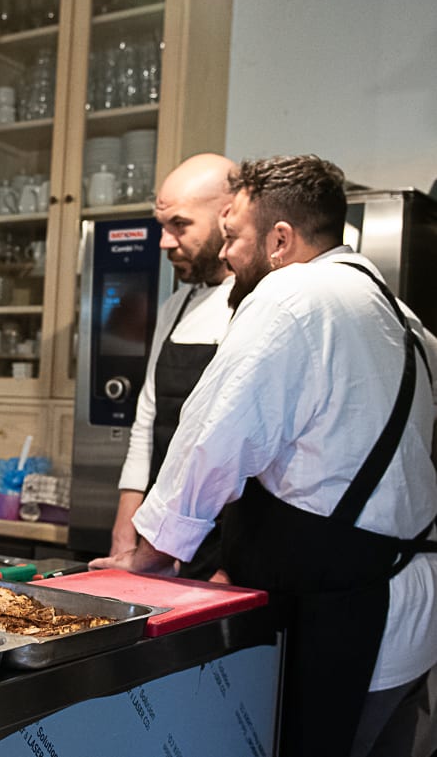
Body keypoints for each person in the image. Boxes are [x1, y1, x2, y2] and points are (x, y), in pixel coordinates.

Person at [92, 155, 437, 757]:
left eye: (232, 238)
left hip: (351, 622)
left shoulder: (293, 294)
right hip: (412, 619)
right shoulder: (403, 319)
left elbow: (215, 436)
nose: (225, 257)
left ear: (280, 241)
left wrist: (155, 553)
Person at [109, 153, 236, 580]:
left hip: (226, 543)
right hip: (158, 539)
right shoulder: (176, 305)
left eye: (179, 225)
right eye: (163, 226)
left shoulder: (261, 302)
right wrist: (126, 537)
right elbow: (147, 420)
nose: (164, 242)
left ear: (228, 216)